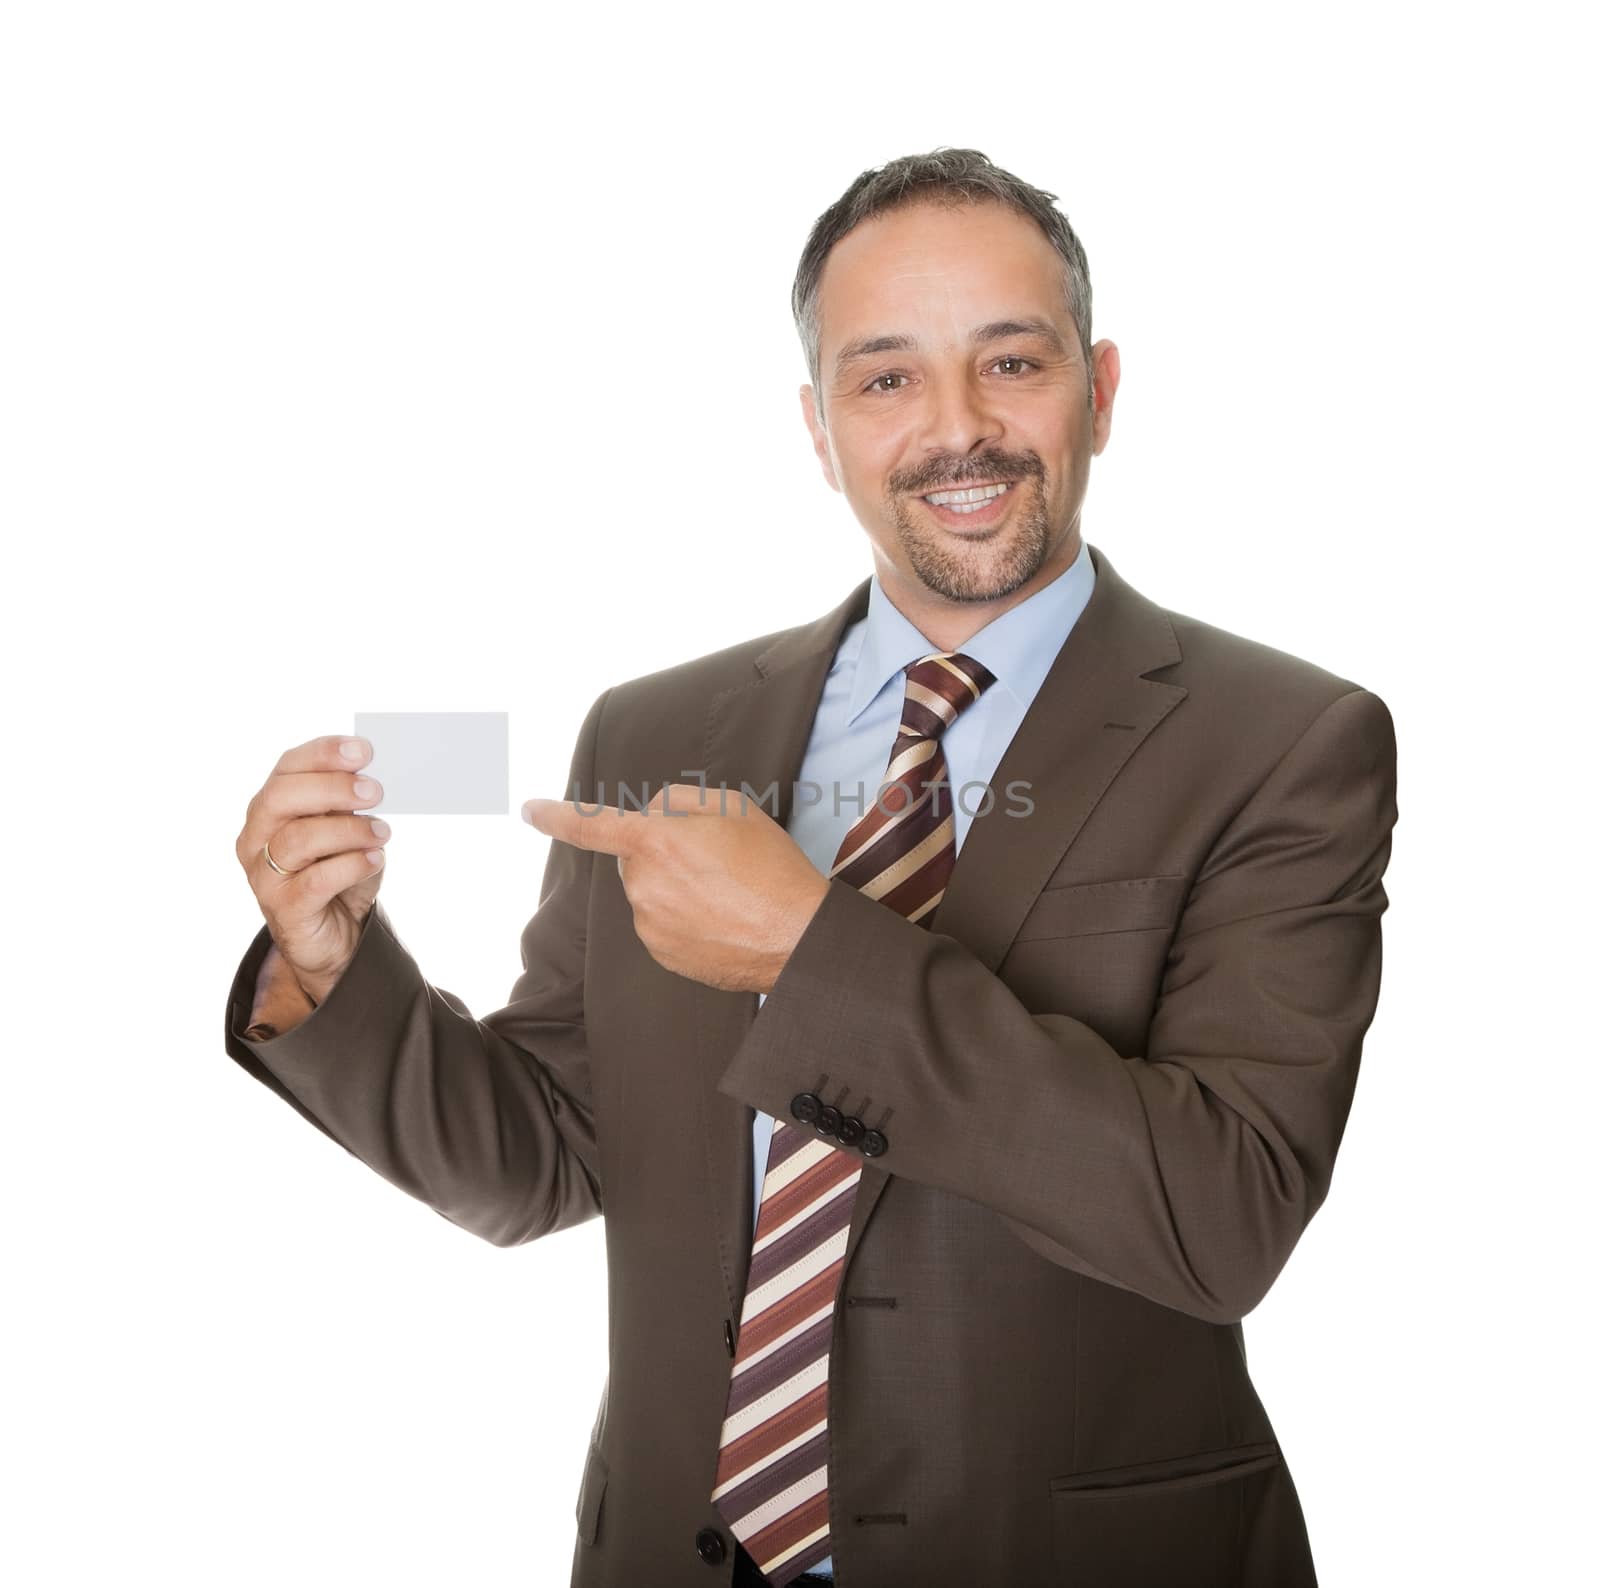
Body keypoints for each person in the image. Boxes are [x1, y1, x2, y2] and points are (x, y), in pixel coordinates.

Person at [226, 147, 1398, 1587]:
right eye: (886, 378)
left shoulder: (1285, 742)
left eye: (1010, 362)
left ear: (1099, 390)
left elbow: (1221, 1216)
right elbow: (547, 1153)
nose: (956, 430)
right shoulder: (657, 729)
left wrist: (809, 951)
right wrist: (337, 972)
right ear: (819, 426)